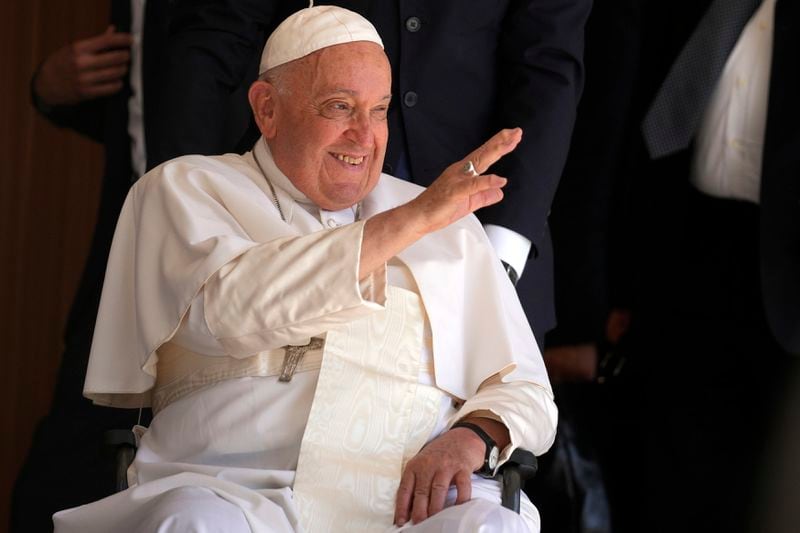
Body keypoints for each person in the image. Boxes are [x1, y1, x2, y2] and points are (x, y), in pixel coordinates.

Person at [53, 7, 557, 532]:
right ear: (267, 108)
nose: (364, 136)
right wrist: (412, 221)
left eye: (379, 110)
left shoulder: (446, 223)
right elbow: (234, 309)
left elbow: (526, 390)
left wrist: (473, 435)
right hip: (233, 490)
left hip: (405, 504)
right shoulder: (185, 188)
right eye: (340, 107)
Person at [153, 0, 591, 347]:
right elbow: (215, 35)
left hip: (481, 219)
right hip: (284, 225)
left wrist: (498, 258)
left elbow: (549, 64)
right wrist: (195, 205)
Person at [614, 0, 800, 531]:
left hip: (783, 272)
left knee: (762, 482)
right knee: (668, 459)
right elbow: (632, 126)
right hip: (685, 246)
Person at [11, 1, 167, 530]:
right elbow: (144, 122)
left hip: (230, 255)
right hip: (118, 260)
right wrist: (48, 90)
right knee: (64, 477)